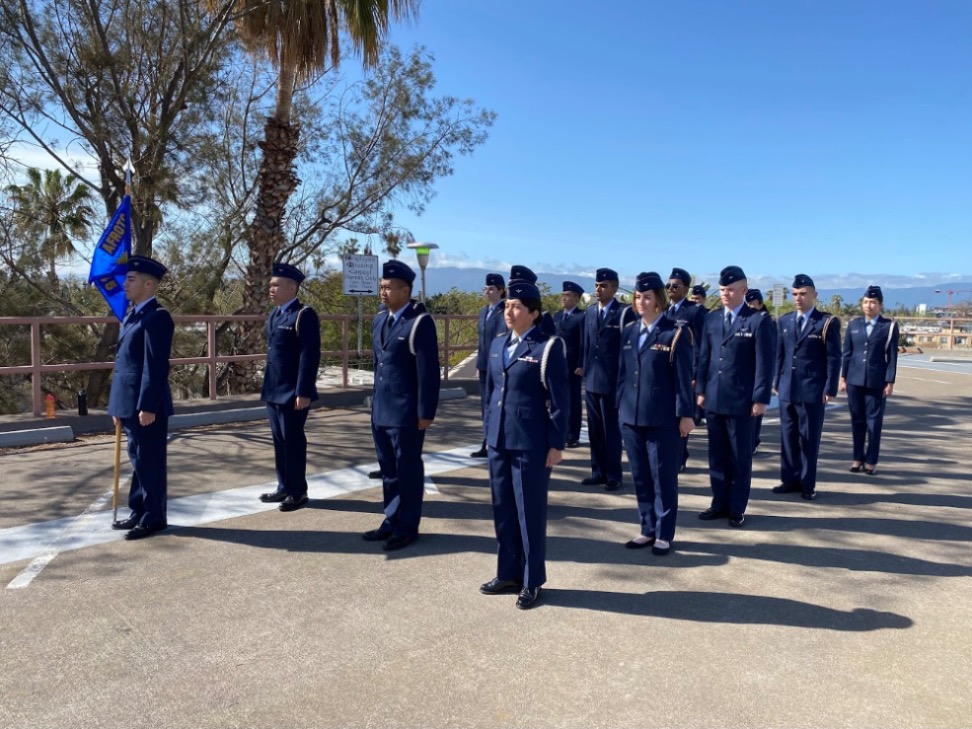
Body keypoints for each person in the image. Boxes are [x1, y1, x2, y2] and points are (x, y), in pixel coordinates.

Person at [479, 277, 568, 610]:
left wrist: (556, 444)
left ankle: (532, 580)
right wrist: (488, 432)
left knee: (529, 513)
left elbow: (560, 401)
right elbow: (490, 393)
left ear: (533, 313)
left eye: (516, 307)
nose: (509, 311)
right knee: (503, 509)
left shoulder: (547, 347)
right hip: (499, 440)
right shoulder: (498, 344)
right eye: (507, 305)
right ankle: (508, 573)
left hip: (531, 443)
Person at [364, 260, 441, 551]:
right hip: (382, 409)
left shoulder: (419, 323)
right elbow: (379, 366)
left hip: (406, 413)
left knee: (407, 471)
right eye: (381, 287)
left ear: (405, 290)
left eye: (388, 287)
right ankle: (391, 519)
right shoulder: (380, 320)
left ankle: (407, 527)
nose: (383, 292)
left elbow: (428, 372)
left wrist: (426, 412)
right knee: (388, 470)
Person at [617, 272, 695, 556]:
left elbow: (683, 378)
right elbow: (623, 375)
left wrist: (686, 414)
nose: (641, 302)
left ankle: (664, 533)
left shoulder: (675, 333)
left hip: (663, 418)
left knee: (663, 478)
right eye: (638, 297)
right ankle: (647, 528)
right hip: (631, 417)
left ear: (659, 300)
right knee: (640, 477)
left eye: (647, 297)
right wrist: (619, 408)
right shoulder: (629, 332)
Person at [695, 265, 775, 528]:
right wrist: (701, 390)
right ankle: (719, 503)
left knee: (739, 457)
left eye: (730, 290)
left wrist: (760, 398)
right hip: (714, 397)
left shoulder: (758, 321)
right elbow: (704, 357)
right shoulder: (712, 319)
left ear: (743, 290)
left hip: (742, 400)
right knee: (717, 455)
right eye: (722, 290)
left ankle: (737, 508)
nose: (725, 294)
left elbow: (765, 363)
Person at [108, 255, 174, 541]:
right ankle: (139, 510)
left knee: (150, 462)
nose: (125, 284)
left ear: (148, 284)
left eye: (131, 279)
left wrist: (147, 405)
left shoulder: (157, 317)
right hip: (128, 403)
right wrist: (117, 404)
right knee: (138, 460)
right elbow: (124, 364)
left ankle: (154, 517)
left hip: (146, 405)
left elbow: (154, 366)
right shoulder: (132, 315)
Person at [258, 263, 321, 512]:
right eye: (271, 285)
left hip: (292, 392)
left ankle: (298, 492)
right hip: (273, 390)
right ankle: (284, 486)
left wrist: (303, 391)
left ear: (292, 288)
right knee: (279, 440)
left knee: (293, 441)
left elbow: (309, 355)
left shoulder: (304, 315)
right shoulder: (275, 314)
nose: (271, 289)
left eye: (276, 285)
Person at [773, 274, 841, 500]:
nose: (798, 298)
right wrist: (776, 382)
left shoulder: (826, 322)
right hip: (787, 388)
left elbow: (833, 358)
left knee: (809, 440)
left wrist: (830, 388)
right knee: (788, 437)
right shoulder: (785, 321)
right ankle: (789, 480)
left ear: (814, 295)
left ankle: (807, 484)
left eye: (803, 294)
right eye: (794, 294)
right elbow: (780, 355)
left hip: (812, 389)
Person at [580, 267, 633, 491]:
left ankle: (613, 475)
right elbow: (587, 344)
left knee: (611, 430)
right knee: (594, 430)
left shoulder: (624, 313)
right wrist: (583, 368)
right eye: (596, 285)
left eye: (603, 286)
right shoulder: (590, 312)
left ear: (614, 288)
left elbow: (628, 349)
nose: (598, 289)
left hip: (612, 381)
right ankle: (598, 472)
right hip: (592, 380)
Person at [840, 285, 898, 475]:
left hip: (876, 381)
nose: (869, 305)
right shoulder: (854, 325)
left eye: (873, 302)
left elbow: (892, 357)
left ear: (880, 305)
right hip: (854, 380)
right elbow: (847, 353)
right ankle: (857, 458)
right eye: (866, 302)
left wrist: (890, 381)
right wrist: (843, 377)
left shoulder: (889, 327)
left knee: (874, 423)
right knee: (857, 421)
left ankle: (871, 460)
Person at [665, 267, 706, 470]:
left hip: (685, 372)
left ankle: (680, 457)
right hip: (665, 373)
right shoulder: (663, 310)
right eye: (668, 285)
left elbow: (702, 345)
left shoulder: (694, 311)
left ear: (686, 288)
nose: (670, 289)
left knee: (681, 415)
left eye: (675, 286)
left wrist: (697, 374)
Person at [471, 273, 507, 458]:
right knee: (485, 405)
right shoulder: (484, 311)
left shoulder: (504, 311)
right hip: (484, 366)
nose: (487, 292)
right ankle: (487, 442)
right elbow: (481, 341)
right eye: (486, 288)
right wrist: (478, 364)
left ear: (501, 291)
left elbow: (501, 340)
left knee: (496, 405)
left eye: (491, 289)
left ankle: (496, 442)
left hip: (497, 366)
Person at [554, 281, 585, 448]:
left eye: (568, 295)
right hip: (557, 365)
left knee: (573, 402)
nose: (564, 298)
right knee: (558, 401)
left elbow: (583, 343)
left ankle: (573, 435)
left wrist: (581, 364)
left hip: (573, 366)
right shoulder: (557, 316)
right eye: (563, 295)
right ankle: (561, 432)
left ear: (576, 298)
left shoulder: (581, 317)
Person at [744, 289, 775, 455]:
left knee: (756, 410)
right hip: (745, 372)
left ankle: (753, 441)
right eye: (747, 303)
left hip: (759, 373)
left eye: (752, 303)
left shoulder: (766, 321)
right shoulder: (744, 320)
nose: (749, 306)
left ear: (760, 303)